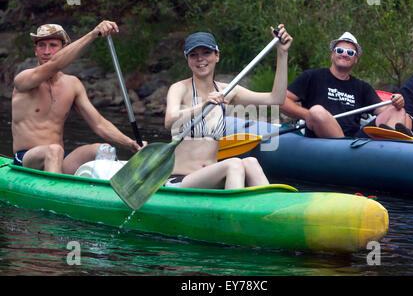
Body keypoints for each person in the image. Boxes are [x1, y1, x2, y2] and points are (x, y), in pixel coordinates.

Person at [164, 25, 292, 189]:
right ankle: (234, 214)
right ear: (188, 60)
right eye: (193, 55)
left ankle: (272, 210)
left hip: (211, 178)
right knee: (233, 164)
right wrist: (204, 105)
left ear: (217, 56)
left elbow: (276, 99)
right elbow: (170, 120)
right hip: (179, 180)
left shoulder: (228, 91)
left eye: (206, 53)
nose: (200, 59)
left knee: (250, 162)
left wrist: (282, 53)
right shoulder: (179, 88)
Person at [12, 21, 146, 174]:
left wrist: (131, 144)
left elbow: (99, 124)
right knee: (54, 150)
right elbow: (55, 65)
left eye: (53, 45)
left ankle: (104, 193)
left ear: (65, 48)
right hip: (26, 159)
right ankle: (55, 195)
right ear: (35, 50)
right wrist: (93, 34)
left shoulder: (72, 84)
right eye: (41, 45)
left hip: (58, 158)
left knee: (103, 149)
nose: (47, 51)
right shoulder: (24, 80)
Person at [280, 32, 406, 138]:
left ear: (356, 59)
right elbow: (281, 101)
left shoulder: (362, 87)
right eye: (340, 50)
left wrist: (396, 102)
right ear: (332, 54)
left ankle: (392, 153)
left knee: (398, 110)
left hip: (354, 141)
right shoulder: (312, 76)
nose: (345, 54)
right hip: (321, 139)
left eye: (350, 53)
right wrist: (308, 115)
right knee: (317, 111)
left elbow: (383, 110)